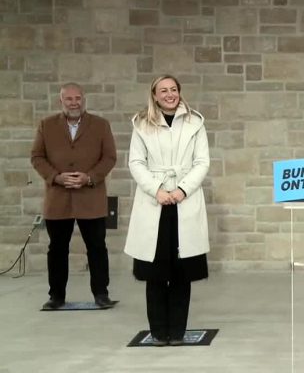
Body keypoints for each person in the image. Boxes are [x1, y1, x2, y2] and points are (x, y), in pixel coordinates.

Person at [124, 74, 210, 346]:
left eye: (173, 89)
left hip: (184, 201)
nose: (170, 94)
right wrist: (158, 190)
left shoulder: (196, 122)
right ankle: (159, 332)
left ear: (180, 92)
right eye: (164, 90)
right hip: (155, 203)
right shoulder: (141, 124)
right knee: (156, 273)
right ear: (154, 95)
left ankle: (178, 331)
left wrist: (182, 190)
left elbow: (202, 162)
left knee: (182, 273)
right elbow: (136, 162)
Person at [30, 82, 117, 310]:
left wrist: (89, 178)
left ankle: (101, 294)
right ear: (61, 101)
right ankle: (56, 296)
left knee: (97, 247)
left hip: (91, 197)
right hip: (58, 199)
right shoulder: (46, 125)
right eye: (69, 99)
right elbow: (37, 157)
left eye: (77, 98)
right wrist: (56, 177)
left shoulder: (100, 125)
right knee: (57, 248)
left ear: (83, 99)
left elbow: (109, 158)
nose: (74, 102)